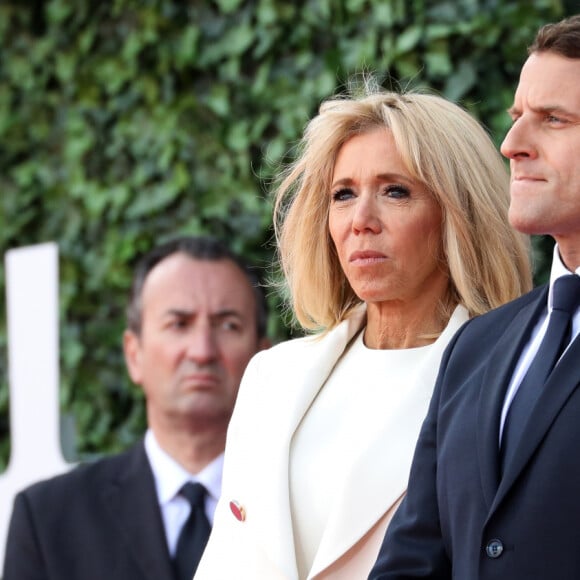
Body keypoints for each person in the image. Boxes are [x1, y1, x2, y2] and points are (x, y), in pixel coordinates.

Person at [194, 86, 532, 580]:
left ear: (458, 214)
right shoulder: (272, 375)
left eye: (395, 191)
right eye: (343, 194)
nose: (361, 221)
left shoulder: (507, 387)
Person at [369, 14, 580, 580]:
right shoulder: (477, 347)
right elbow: (415, 556)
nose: (512, 145)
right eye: (516, 120)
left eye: (553, 120)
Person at [2, 235, 271, 580]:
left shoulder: (305, 507)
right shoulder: (48, 518)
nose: (202, 351)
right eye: (179, 324)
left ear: (264, 356)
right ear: (134, 354)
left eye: (228, 325)